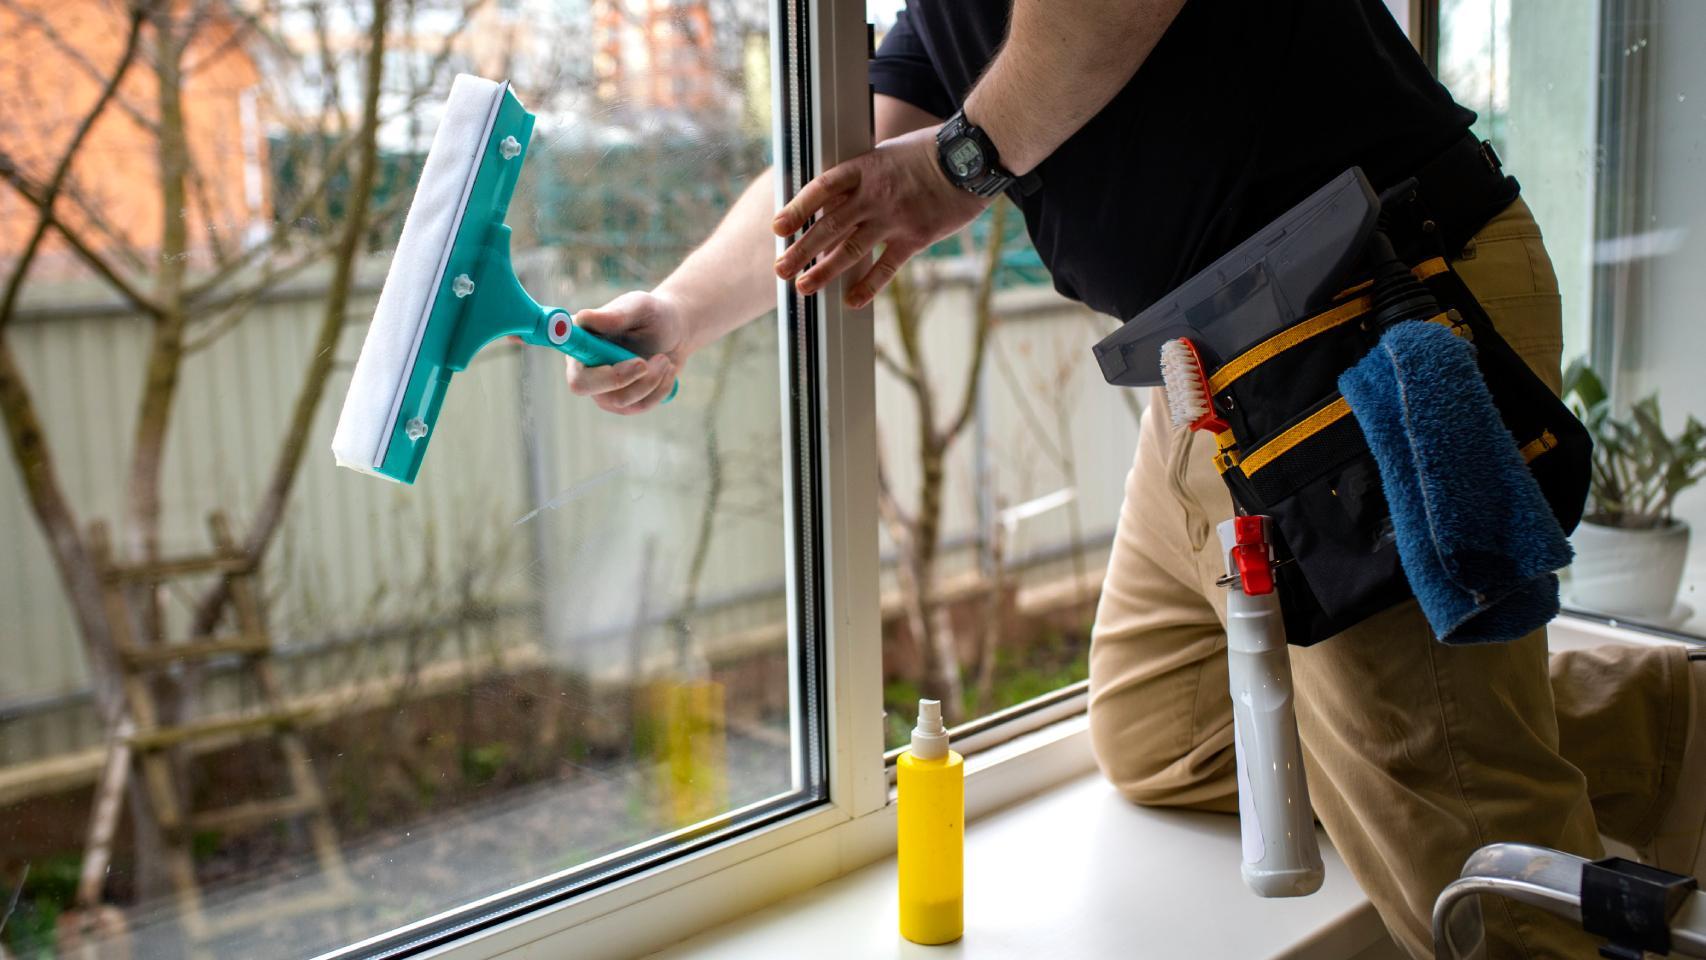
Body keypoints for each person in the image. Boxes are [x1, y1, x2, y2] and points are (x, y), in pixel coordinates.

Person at [563, 0, 1706, 955]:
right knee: (1168, 725)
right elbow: (857, 156)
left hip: (1370, 320)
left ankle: (1497, 758)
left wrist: (964, 159)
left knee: (1472, 861)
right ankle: (1674, 728)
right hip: (1218, 366)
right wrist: (677, 311)